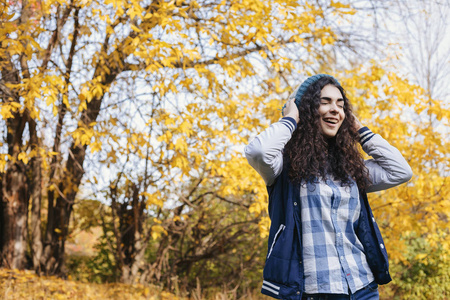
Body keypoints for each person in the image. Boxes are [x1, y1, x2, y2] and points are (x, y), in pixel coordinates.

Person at [244, 74, 412, 300]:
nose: (336, 110)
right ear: (305, 109)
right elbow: (259, 152)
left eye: (341, 105)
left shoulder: (350, 167)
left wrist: (359, 128)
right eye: (325, 102)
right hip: (315, 291)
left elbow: (401, 171)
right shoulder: (283, 166)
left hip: (363, 287)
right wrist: (291, 119)